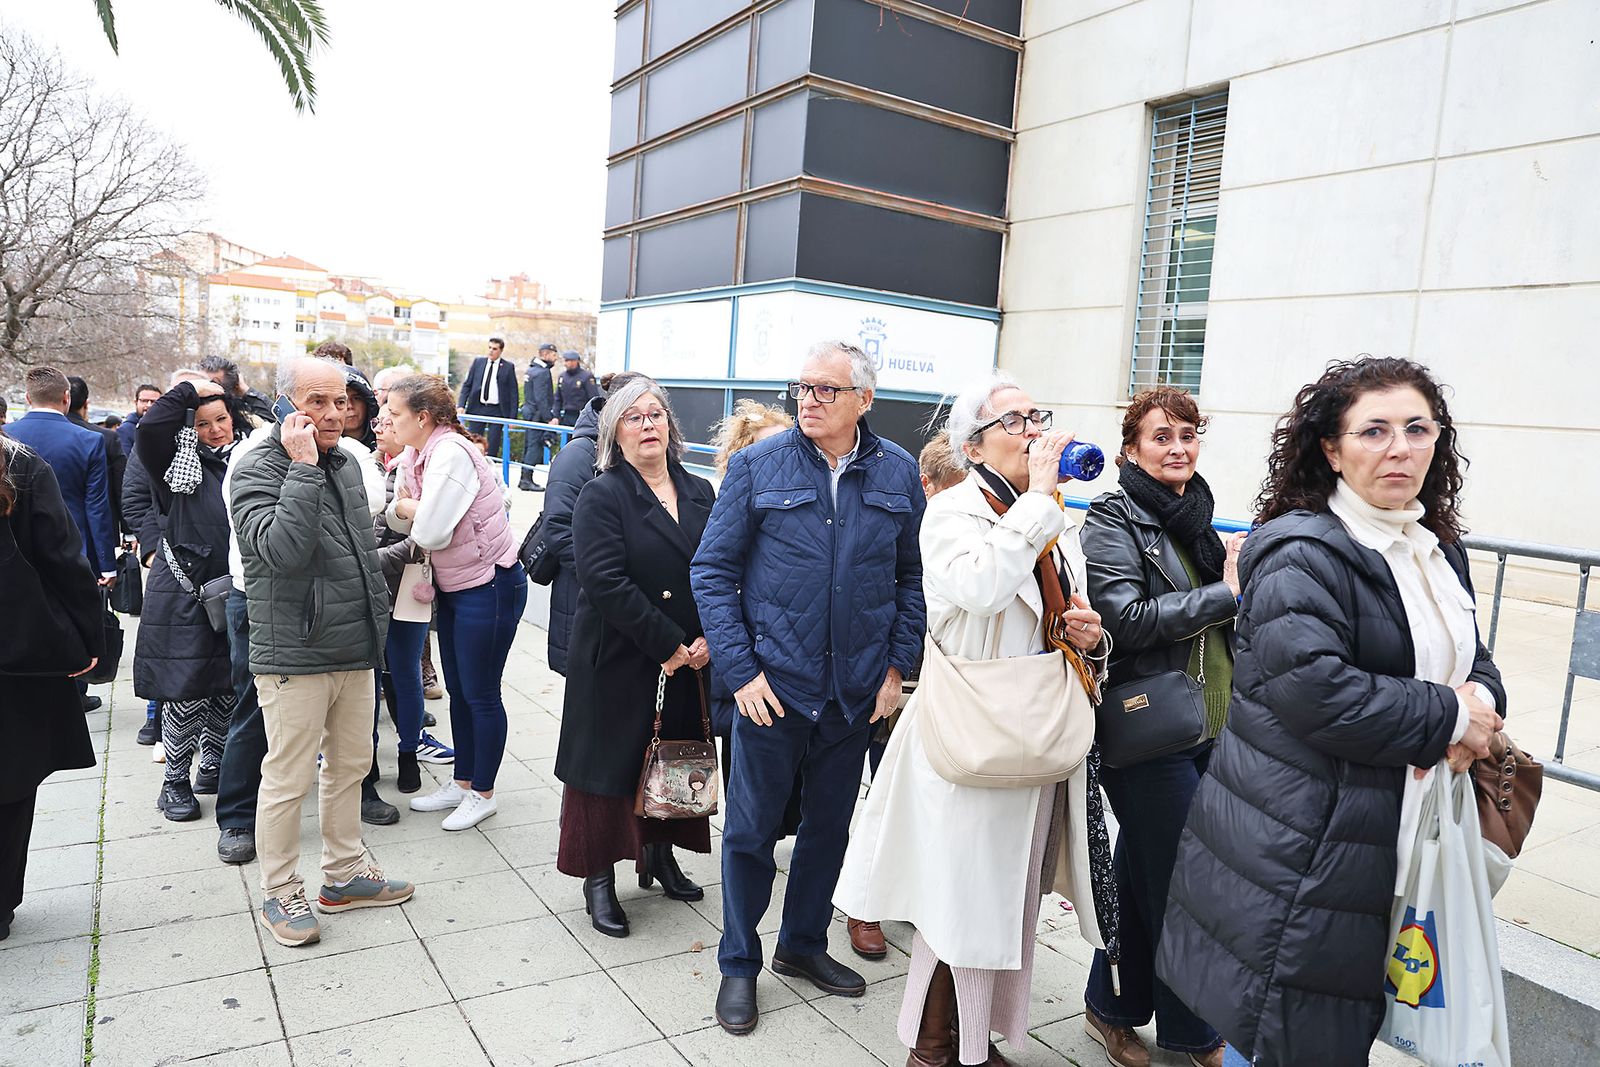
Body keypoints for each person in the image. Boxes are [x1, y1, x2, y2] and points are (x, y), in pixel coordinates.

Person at [1158, 357, 1507, 1067]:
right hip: (1304, 845)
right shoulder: (1301, 552)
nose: (1399, 447)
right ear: (1331, 449)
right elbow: (1316, 690)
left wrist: (1482, 704)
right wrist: (1449, 718)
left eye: (1417, 428)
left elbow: (1476, 660)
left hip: (1399, 830)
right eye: (1374, 430)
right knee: (1292, 1031)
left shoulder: (1437, 550)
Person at [835, 373, 1111, 1067]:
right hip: (973, 734)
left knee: (1008, 901)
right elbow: (981, 589)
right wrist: (1042, 500)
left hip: (1034, 732)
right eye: (1014, 420)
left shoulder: (1048, 516)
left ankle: (975, 1039)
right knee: (959, 900)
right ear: (974, 446)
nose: (1034, 430)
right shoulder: (953, 512)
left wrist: (1088, 636)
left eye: (1037, 415)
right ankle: (932, 1050)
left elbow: (1058, 617)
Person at [691, 341, 926, 1035]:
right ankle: (739, 963)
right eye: (803, 387)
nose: (810, 399)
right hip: (774, 688)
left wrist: (896, 668)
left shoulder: (898, 471)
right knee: (751, 832)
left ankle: (801, 944)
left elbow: (912, 576)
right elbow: (712, 570)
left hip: (854, 692)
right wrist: (741, 672)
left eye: (827, 389)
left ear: (864, 399)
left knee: (828, 828)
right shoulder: (759, 465)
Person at [1076, 388, 1243, 1067]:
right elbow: (1126, 620)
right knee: (1186, 881)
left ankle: (1109, 1005)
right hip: (1149, 727)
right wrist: (1227, 593)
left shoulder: (1196, 514)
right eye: (1161, 436)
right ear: (1131, 449)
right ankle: (1195, 1033)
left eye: (1188, 435)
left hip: (1210, 722)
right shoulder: (1112, 516)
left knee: (1145, 869)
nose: (1178, 448)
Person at [230, 356, 412, 947]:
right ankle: (280, 889)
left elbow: (356, 554)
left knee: (351, 765)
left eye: (341, 401)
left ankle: (345, 872)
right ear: (286, 405)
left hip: (355, 646)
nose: (335, 413)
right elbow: (281, 553)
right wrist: (303, 469)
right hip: (295, 653)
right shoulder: (256, 467)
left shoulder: (347, 463)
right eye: (317, 401)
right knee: (288, 778)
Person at [554, 378, 718, 936]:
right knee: (607, 770)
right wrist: (667, 644)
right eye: (634, 417)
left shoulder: (700, 490)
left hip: (687, 657)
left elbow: (718, 569)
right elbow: (604, 581)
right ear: (614, 432)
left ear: (670, 426)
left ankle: (660, 855)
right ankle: (598, 878)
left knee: (671, 760)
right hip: (620, 656)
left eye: (656, 415)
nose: (648, 425)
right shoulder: (601, 494)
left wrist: (708, 637)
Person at [840, 428, 971, 965]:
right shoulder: (909, 519)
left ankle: (911, 891)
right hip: (895, 672)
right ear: (927, 484)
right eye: (955, 488)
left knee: (929, 798)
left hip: (947, 680)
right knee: (884, 789)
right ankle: (864, 904)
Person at [387, 374, 528, 831]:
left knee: (481, 693)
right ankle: (462, 781)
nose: (387, 419)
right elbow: (397, 512)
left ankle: (482, 792)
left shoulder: (450, 453)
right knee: (461, 691)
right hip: (455, 585)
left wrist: (410, 508)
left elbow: (427, 530)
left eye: (395, 412)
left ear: (422, 418)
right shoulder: (416, 454)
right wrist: (411, 509)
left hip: (489, 585)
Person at [0, 435, 101, 942]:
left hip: (17, 648)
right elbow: (61, 556)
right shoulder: (18, 464)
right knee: (11, 775)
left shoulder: (21, 465)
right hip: (16, 646)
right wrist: (88, 636)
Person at [134, 379, 245, 821]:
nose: (215, 430)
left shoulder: (245, 457)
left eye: (221, 418)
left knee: (227, 686)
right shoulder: (175, 461)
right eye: (202, 423)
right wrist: (188, 388)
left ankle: (212, 766)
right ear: (187, 428)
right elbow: (149, 429)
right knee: (186, 690)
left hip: (233, 586)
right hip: (184, 590)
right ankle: (175, 781)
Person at [703, 400, 801, 872]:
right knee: (746, 761)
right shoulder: (735, 501)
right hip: (745, 655)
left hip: (791, 655)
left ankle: (783, 829)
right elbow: (715, 576)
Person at [7, 367, 117, 712]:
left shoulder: (7, 438)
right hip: (73, 543)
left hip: (16, 547)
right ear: (67, 398)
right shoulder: (88, 440)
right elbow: (97, 507)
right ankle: (75, 688)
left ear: (28, 398)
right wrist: (107, 563)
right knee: (72, 611)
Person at [370, 410, 455, 795]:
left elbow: (423, 540)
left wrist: (374, 560)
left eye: (390, 423)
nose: (381, 429)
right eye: (379, 422)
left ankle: (409, 753)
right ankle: (368, 760)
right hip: (372, 590)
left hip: (409, 587)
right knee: (368, 681)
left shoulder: (422, 469)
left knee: (405, 674)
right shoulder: (363, 464)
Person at [540, 371, 644, 677]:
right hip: (584, 600)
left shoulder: (635, 452)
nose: (647, 423)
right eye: (636, 413)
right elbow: (558, 527)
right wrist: (607, 575)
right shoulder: (579, 454)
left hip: (621, 606)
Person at [121, 446, 166, 750]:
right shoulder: (156, 437)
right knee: (162, 641)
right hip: (169, 556)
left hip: (227, 559)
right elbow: (135, 498)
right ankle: (155, 715)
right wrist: (153, 551)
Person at [67, 377, 128, 539]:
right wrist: (128, 530)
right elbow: (120, 486)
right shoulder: (107, 438)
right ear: (86, 403)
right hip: (98, 527)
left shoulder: (24, 434)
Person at [458, 337, 519, 460]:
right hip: (477, 407)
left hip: (497, 410)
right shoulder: (478, 363)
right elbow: (467, 385)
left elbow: (513, 393)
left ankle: (490, 466)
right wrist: (461, 405)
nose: (491, 351)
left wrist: (512, 418)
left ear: (501, 351)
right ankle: (472, 464)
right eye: (489, 347)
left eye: (495, 349)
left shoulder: (508, 367)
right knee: (473, 440)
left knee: (493, 442)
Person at [518, 342, 560, 491]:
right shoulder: (542, 372)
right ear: (545, 354)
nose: (555, 358)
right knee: (534, 448)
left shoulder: (531, 370)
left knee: (529, 446)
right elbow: (541, 398)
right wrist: (549, 418)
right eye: (553, 355)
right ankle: (526, 479)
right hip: (537, 415)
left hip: (530, 413)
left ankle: (524, 478)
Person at [200, 354, 274, 426]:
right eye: (200, 382)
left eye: (212, 384)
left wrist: (246, 390)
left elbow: (276, 421)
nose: (202, 388)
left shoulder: (241, 426)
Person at [556, 351, 600, 428]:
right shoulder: (562, 376)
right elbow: (558, 398)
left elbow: (593, 398)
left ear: (575, 361)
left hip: (581, 415)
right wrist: (556, 416)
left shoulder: (586, 376)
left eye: (567, 361)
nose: (565, 364)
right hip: (566, 415)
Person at [117, 383, 162, 453]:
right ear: (136, 402)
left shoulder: (167, 427)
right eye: (144, 401)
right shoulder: (125, 430)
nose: (149, 405)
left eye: (154, 402)